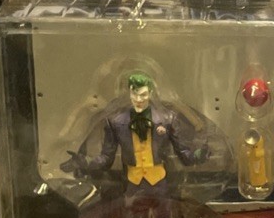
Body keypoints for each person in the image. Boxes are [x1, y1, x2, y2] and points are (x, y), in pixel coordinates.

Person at [64, 72, 205, 192]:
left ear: (150, 93)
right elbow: (106, 157)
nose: (139, 100)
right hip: (131, 182)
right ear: (129, 93)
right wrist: (85, 162)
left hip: (159, 181)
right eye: (135, 94)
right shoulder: (116, 121)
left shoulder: (167, 118)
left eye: (143, 95)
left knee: (162, 213)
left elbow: (184, 154)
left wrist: (200, 154)